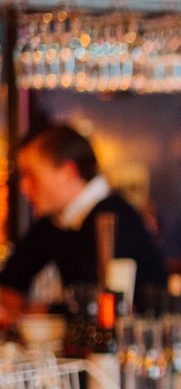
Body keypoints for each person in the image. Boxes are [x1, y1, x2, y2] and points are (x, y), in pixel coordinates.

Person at [0, 125, 166, 323]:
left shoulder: (112, 217)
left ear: (68, 171)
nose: (23, 187)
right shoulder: (54, 221)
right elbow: (10, 283)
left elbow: (93, 306)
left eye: (31, 175)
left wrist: (27, 312)